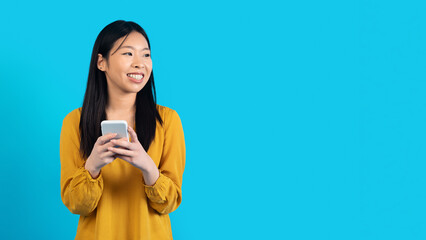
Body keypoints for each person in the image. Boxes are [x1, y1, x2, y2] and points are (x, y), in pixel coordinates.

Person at [60, 20, 186, 240]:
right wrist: (93, 165)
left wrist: (147, 166)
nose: (140, 64)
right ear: (102, 62)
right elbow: (76, 205)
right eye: (128, 54)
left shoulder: (167, 121)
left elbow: (170, 202)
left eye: (146, 55)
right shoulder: (75, 122)